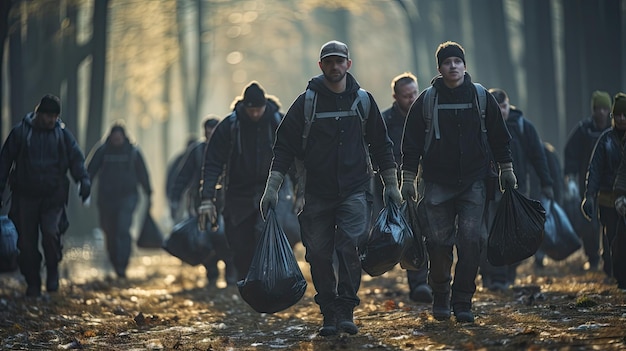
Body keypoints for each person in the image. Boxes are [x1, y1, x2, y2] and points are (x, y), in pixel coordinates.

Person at [259, 40, 401, 336]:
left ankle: (345, 309)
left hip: (355, 189)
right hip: (315, 194)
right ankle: (328, 312)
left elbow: (381, 145)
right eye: (329, 62)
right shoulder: (306, 103)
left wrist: (392, 185)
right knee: (318, 254)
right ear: (321, 66)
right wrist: (271, 189)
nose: (335, 67)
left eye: (340, 61)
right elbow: (283, 147)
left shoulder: (363, 101)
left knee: (350, 247)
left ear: (349, 64)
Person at [401, 41, 515, 323]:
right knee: (438, 243)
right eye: (447, 62)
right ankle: (441, 295)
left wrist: (506, 168)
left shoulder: (480, 97)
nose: (453, 66)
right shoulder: (426, 100)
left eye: (457, 61)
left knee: (472, 242)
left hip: (474, 182)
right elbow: (411, 143)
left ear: (465, 66)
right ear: (439, 68)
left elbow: (499, 136)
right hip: (437, 183)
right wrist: (407, 178)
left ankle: (463, 300)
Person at [197, 81, 296, 284]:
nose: (255, 114)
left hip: (271, 190)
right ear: (244, 106)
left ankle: (267, 283)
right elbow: (213, 162)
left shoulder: (279, 123)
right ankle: (247, 282)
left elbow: (295, 157)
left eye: (258, 109)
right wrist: (207, 197)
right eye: (251, 109)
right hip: (237, 195)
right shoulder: (229, 126)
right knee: (239, 244)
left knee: (264, 236)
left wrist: (301, 190)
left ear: (264, 106)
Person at [0, 94, 91, 297]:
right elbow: (5, 160)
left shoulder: (62, 135)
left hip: (53, 196)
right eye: (48, 115)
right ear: (38, 113)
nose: (51, 120)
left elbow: (76, 159)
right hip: (25, 197)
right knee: (26, 243)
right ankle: (33, 282)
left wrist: (83, 180)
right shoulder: (21, 132)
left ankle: (52, 269)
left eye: (54, 116)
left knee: (51, 234)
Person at [479, 88, 554, 291]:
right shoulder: (481, 126)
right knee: (490, 234)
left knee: (515, 234)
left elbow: (538, 156)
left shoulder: (523, 126)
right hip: (489, 191)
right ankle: (493, 276)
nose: (501, 111)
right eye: (497, 107)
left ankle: (508, 274)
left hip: (518, 190)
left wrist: (547, 183)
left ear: (508, 105)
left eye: (503, 106)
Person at [374, 72, 431, 303]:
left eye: (415, 93)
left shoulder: (428, 116)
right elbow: (376, 150)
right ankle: (409, 277)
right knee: (401, 234)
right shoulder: (385, 121)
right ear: (395, 97)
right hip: (392, 185)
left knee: (423, 232)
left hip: (423, 182)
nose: (412, 98)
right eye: (407, 96)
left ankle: (421, 283)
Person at [170, 116, 237, 287]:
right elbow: (183, 175)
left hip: (226, 201)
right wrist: (175, 197)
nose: (211, 135)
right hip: (201, 203)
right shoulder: (197, 151)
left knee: (226, 236)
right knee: (205, 238)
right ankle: (211, 271)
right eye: (209, 132)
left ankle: (230, 269)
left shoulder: (230, 148)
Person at [86, 123, 152, 279]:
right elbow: (90, 170)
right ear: (111, 137)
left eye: (119, 137)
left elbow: (143, 172)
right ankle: (115, 262)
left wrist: (148, 191)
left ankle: (122, 264)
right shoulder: (102, 151)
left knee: (123, 229)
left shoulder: (133, 152)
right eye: (114, 137)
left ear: (124, 137)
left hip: (128, 197)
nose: (117, 140)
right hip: (106, 199)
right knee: (110, 231)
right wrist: (85, 188)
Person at [564, 90, 612, 272]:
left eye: (604, 108)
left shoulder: (615, 132)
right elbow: (571, 154)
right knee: (589, 224)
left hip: (611, 186)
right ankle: (592, 257)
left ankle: (609, 261)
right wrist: (571, 178)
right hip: (588, 184)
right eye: (597, 108)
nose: (601, 112)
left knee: (610, 225)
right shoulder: (584, 130)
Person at [604, 93, 626, 292]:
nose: (621, 119)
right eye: (617, 114)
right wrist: (619, 196)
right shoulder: (607, 139)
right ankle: (620, 279)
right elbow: (623, 171)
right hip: (613, 200)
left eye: (624, 115)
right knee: (616, 240)